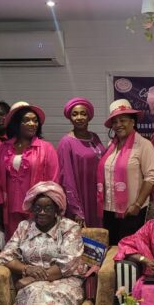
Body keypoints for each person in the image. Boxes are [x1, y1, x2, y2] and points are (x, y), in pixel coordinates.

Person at [0, 182, 91, 305]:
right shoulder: (24, 227)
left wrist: (31, 278)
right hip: (32, 282)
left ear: (57, 209)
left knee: (61, 298)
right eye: (37, 208)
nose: (41, 212)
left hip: (66, 280)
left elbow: (67, 263)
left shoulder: (69, 227)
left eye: (47, 208)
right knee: (36, 294)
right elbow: (5, 256)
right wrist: (27, 269)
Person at [0, 104, 60, 240]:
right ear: (16, 123)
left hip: (38, 210)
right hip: (10, 208)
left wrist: (47, 209)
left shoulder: (46, 148)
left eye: (35, 120)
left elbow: (53, 182)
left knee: (37, 245)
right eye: (26, 120)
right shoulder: (3, 148)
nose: (32, 124)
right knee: (15, 244)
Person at [98, 99, 154, 245]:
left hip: (131, 210)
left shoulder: (144, 145)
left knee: (129, 250)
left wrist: (137, 204)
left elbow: (151, 177)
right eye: (115, 122)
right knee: (112, 248)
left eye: (123, 120)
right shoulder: (111, 146)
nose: (118, 125)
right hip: (109, 209)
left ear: (133, 121)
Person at [57, 97, 105, 227]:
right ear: (70, 118)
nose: (79, 117)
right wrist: (76, 209)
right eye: (75, 114)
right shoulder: (66, 142)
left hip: (97, 196)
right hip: (81, 197)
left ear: (89, 116)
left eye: (83, 114)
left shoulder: (94, 137)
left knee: (99, 234)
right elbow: (66, 178)